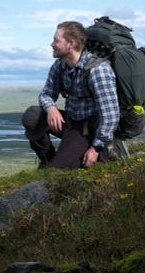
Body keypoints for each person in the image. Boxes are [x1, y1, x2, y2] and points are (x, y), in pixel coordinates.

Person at [22, 21, 120, 169]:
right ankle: (47, 160)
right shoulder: (60, 65)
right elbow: (46, 95)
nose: (52, 44)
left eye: (56, 40)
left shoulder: (98, 71)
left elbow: (110, 116)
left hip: (90, 130)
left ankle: (103, 151)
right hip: (71, 122)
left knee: (57, 171)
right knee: (32, 116)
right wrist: (51, 109)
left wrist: (95, 148)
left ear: (71, 44)